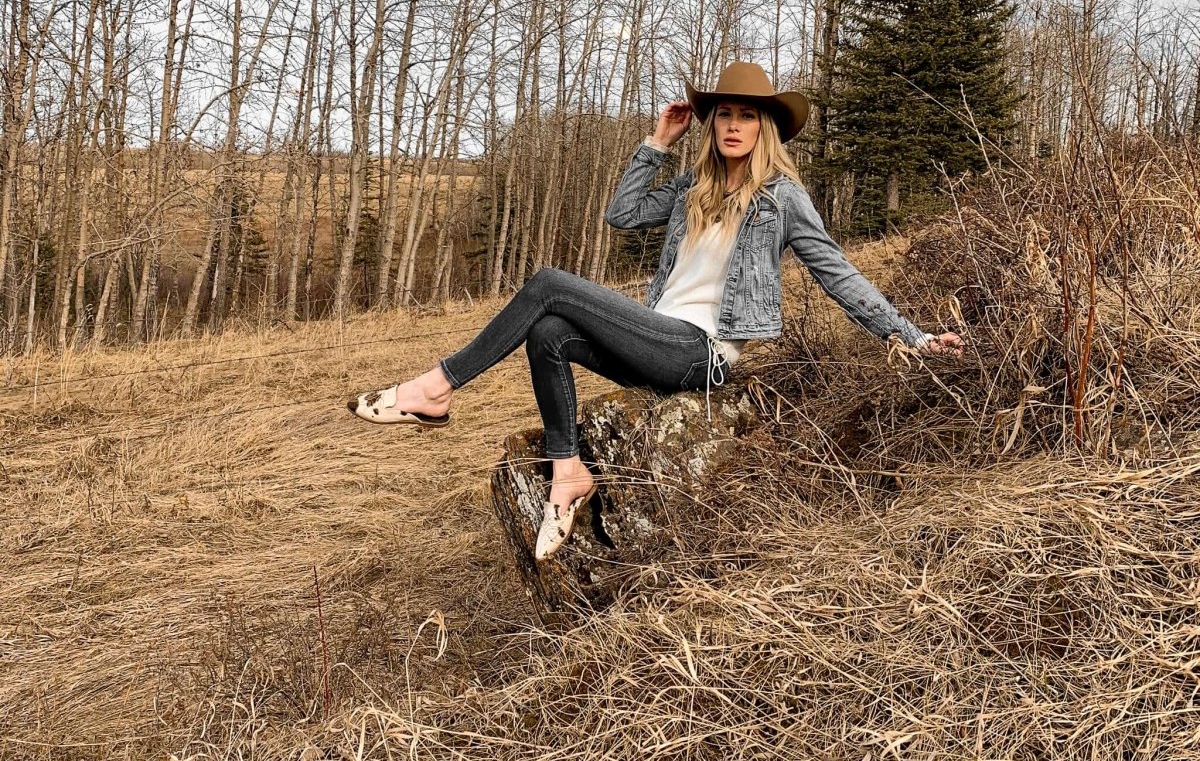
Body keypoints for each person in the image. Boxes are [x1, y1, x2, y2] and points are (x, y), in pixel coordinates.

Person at [349, 61, 965, 560]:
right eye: (723, 114)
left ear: (764, 128)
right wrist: (656, 142)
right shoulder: (691, 190)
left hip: (701, 354)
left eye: (746, 116)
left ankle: (435, 386)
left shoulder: (784, 199)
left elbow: (839, 273)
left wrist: (908, 333)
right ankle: (569, 473)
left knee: (548, 285)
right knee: (551, 329)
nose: (732, 125)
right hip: (656, 343)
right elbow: (620, 214)